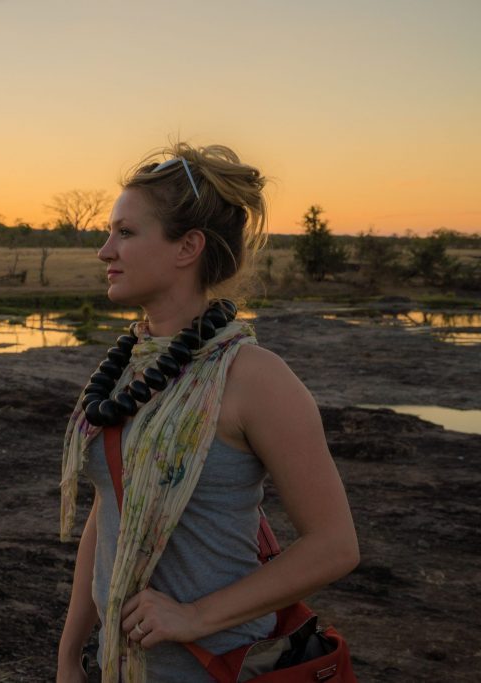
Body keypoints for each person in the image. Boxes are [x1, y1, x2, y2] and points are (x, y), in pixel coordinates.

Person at [56, 143, 359, 683]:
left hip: (214, 668)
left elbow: (334, 546)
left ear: (187, 247)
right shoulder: (128, 369)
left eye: (125, 233)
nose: (105, 250)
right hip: (119, 667)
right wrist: (71, 654)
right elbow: (109, 515)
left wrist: (195, 617)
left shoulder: (253, 378)